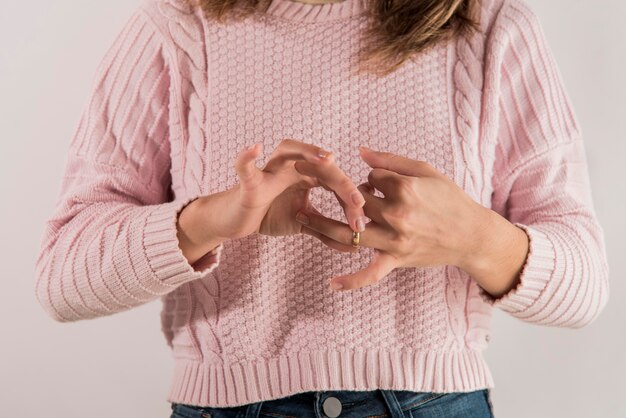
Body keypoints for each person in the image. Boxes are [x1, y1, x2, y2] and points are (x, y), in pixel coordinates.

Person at [35, 0, 610, 416]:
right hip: (228, 406)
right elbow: (62, 276)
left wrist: (478, 239)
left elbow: (586, 286)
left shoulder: (491, 27)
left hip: (438, 403)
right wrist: (214, 218)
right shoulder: (176, 29)